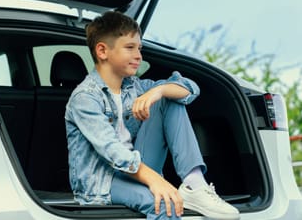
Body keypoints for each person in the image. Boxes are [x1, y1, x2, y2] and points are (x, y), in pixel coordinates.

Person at [64, 11, 240, 220]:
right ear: (102, 51)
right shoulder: (85, 98)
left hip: (137, 169)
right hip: (103, 181)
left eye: (140, 48)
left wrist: (159, 91)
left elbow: (190, 89)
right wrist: (156, 180)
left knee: (169, 97)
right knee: (165, 205)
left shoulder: (135, 87)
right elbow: (112, 151)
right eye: (130, 47)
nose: (139, 55)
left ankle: (195, 184)